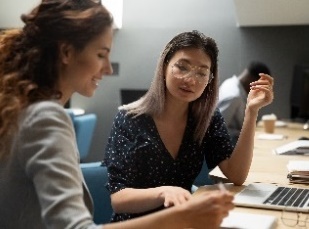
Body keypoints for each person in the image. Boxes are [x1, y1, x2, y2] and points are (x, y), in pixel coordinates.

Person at [0, 1, 234, 229]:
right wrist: (181, 217)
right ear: (67, 52)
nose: (109, 69)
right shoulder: (45, 117)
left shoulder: (22, 109)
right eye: (102, 55)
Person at [105, 30, 274, 222]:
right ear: (164, 66)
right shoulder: (129, 118)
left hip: (183, 222)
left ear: (210, 79)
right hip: (137, 225)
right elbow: (118, 199)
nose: (191, 80)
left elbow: (236, 175)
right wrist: (164, 192)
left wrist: (251, 112)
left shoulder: (207, 119)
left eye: (202, 73)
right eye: (182, 67)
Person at [218, 61, 271, 144]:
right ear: (254, 80)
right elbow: (218, 129)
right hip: (229, 145)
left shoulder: (230, 82)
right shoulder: (234, 96)